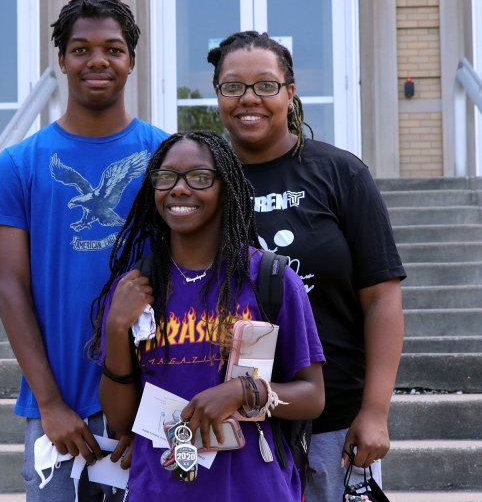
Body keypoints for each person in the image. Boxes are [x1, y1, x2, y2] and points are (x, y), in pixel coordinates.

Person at [0, 0, 168, 501]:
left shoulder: (166, 158)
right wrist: (49, 404)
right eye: (81, 49)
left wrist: (156, 409)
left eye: (113, 48)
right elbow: (11, 291)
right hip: (60, 415)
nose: (97, 60)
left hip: (155, 407)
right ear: (61, 60)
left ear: (130, 60)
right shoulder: (19, 165)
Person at [207, 31, 406, 500]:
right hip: (233, 421)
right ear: (217, 95)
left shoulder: (341, 173)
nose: (248, 99)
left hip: (332, 421)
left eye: (266, 85)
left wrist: (375, 411)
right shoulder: (202, 182)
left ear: (290, 93)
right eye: (232, 86)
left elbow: (382, 298)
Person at [90, 131, 326, 500]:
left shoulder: (270, 279)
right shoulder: (136, 288)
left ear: (226, 188)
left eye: (200, 177)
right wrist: (117, 326)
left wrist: (242, 391)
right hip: (162, 489)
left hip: (256, 488)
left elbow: (312, 396)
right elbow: (121, 420)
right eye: (166, 178)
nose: (179, 189)